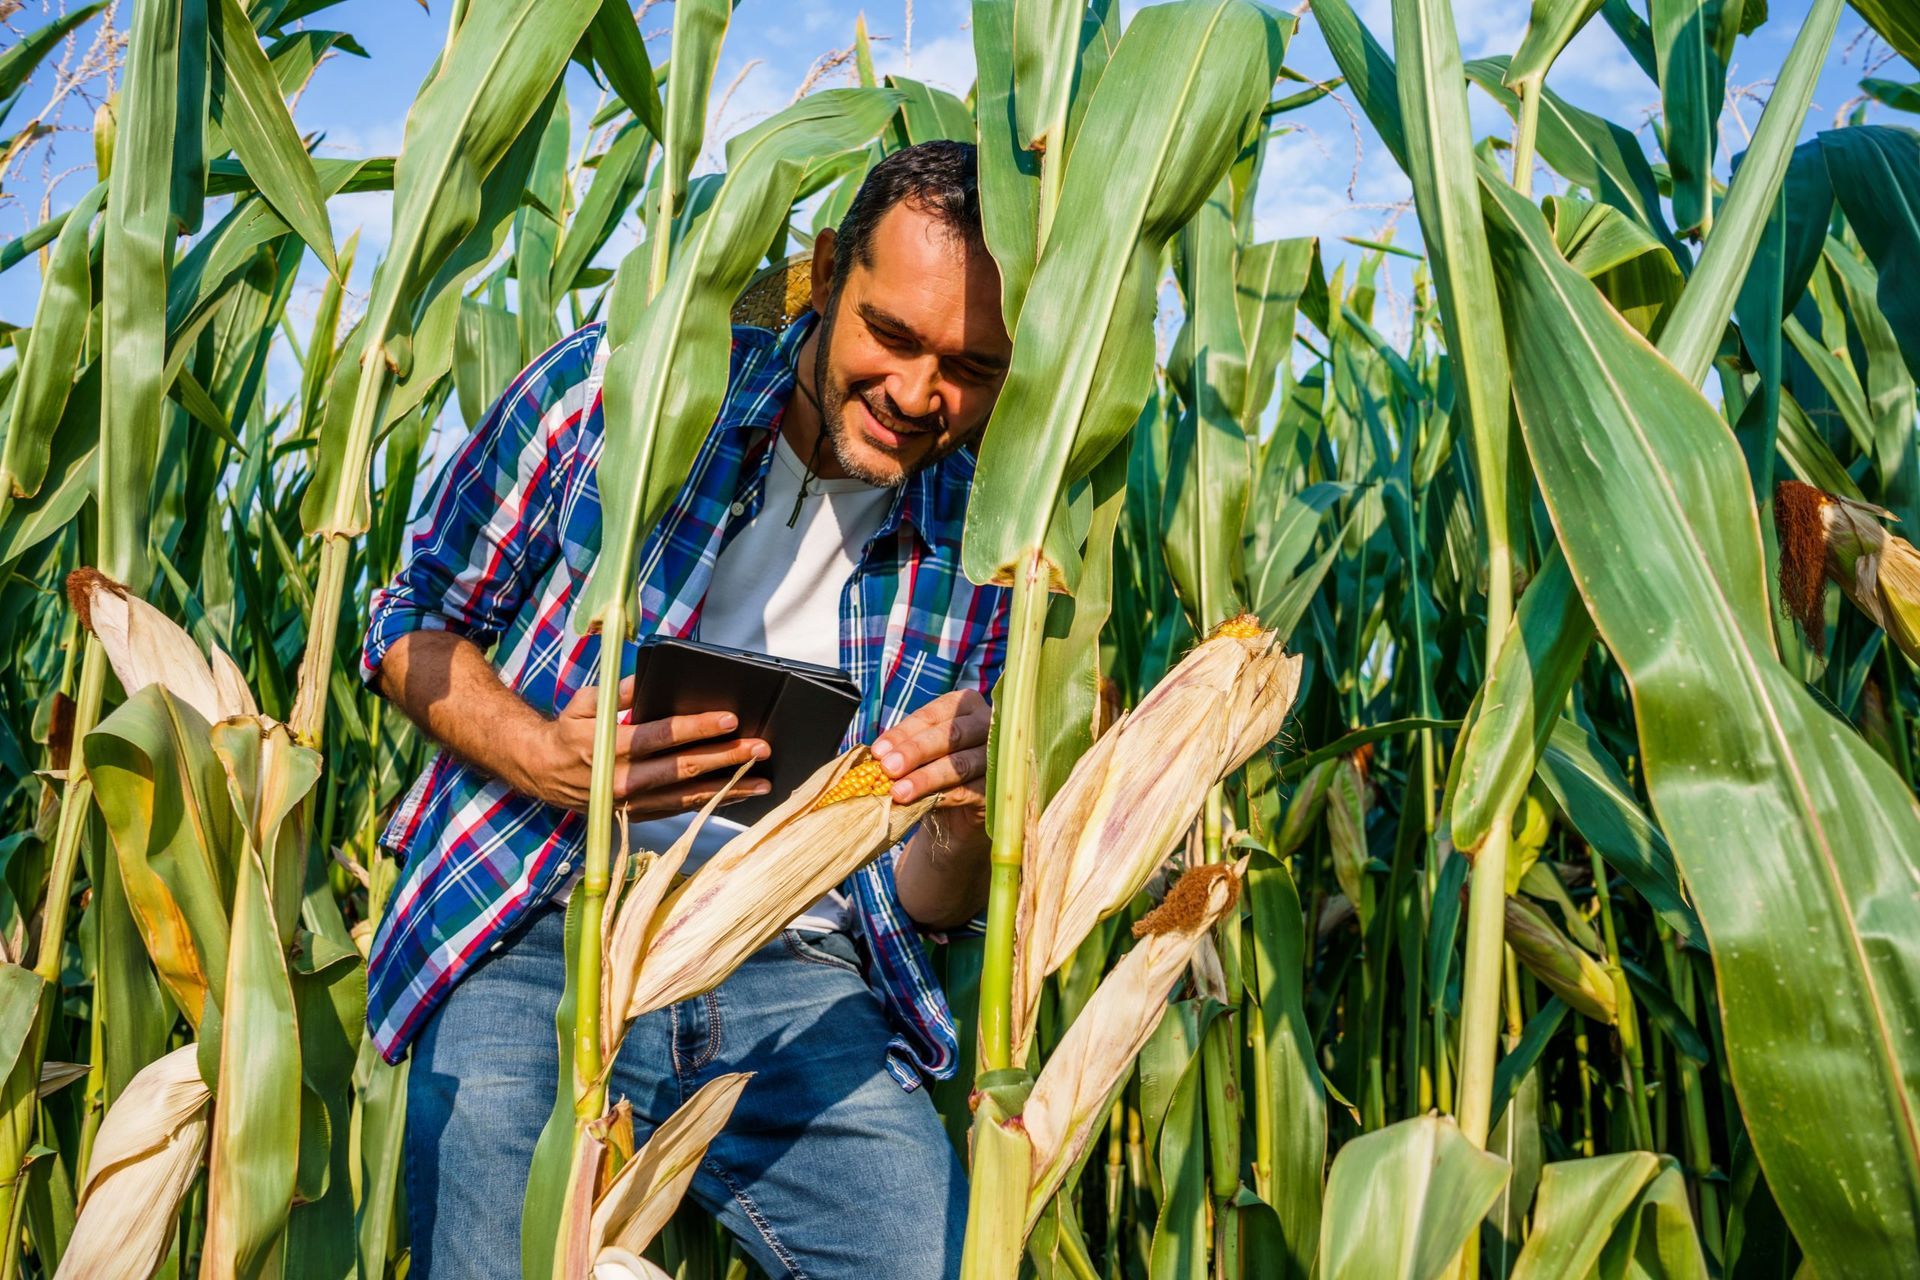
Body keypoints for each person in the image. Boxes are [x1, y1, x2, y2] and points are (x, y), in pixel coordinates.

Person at [360, 141, 1015, 1279]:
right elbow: (405, 620)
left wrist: (960, 820)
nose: (919, 395)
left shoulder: (996, 538)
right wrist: (543, 752)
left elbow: (926, 900)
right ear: (827, 272)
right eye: (892, 335)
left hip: (799, 963)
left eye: (969, 367)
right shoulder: (626, 389)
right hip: (544, 920)